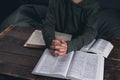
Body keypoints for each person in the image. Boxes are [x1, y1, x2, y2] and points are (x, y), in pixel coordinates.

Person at [1, 0, 120, 56]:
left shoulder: (92, 5)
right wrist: (51, 42)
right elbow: (48, 23)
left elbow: (90, 32)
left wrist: (69, 46)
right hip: (58, 36)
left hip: (75, 40)